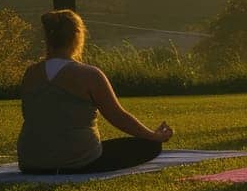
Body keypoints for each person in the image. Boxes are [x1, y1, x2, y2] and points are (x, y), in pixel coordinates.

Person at [17, 10, 174, 174]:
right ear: (77, 36)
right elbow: (117, 116)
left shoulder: (31, 73)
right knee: (150, 146)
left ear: (48, 39)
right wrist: (153, 136)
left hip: (31, 161)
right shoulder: (89, 74)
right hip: (79, 162)